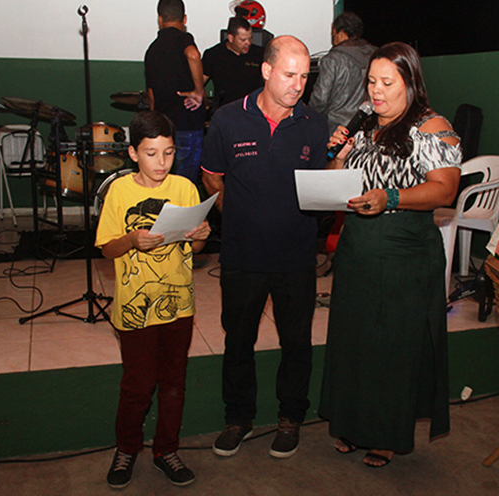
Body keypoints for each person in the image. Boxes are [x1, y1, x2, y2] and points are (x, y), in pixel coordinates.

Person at [319, 42, 462, 468]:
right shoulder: (363, 126)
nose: (375, 91)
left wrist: (393, 197)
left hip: (404, 254)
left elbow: (445, 189)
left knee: (392, 349)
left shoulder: (431, 126)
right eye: (371, 82)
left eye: (387, 82)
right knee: (355, 342)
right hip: (359, 250)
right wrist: (340, 155)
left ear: (410, 83)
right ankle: (349, 423)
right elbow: (336, 185)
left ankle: (385, 435)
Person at [200, 35, 329, 459]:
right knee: (238, 341)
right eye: (290, 74)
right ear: (267, 70)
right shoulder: (227, 120)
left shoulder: (314, 123)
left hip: (295, 256)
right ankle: (238, 418)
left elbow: (317, 188)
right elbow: (213, 177)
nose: (298, 84)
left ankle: (291, 417)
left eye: (304, 77)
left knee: (296, 342)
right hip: (242, 256)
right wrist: (236, 216)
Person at [96, 110, 211, 488]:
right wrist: (131, 240)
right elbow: (107, 251)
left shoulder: (184, 188)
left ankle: (167, 450)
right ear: (132, 153)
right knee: (138, 385)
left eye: (168, 153)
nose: (161, 163)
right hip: (134, 309)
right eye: (151, 153)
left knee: (174, 382)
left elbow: (194, 247)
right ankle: (127, 448)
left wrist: (202, 234)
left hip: (179, 304)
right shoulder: (120, 191)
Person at [144, 0, 206, 185]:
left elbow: (152, 96)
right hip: (188, 125)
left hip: (165, 130)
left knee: (165, 185)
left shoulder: (152, 50)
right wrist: (199, 91)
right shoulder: (183, 39)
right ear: (184, 19)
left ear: (160, 19)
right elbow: (193, 55)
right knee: (185, 187)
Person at [308, 11, 376, 133]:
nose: (332, 40)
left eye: (333, 34)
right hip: (369, 129)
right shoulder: (377, 55)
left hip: (337, 131)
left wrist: (306, 116)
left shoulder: (332, 59)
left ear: (340, 33)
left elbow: (320, 100)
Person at [202, 16, 265, 108]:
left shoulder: (259, 54)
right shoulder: (214, 55)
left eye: (250, 38)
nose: (248, 43)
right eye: (243, 40)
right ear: (230, 38)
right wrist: (204, 99)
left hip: (252, 109)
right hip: (225, 109)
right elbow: (199, 81)